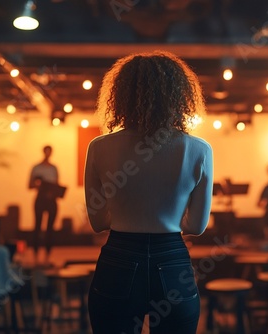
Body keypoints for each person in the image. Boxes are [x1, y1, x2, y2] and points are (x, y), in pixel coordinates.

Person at [84, 51, 213, 334]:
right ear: (180, 96)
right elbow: (197, 226)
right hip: (172, 261)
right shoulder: (199, 149)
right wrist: (165, 216)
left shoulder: (99, 147)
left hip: (118, 258)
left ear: (120, 96)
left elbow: (97, 223)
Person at [29, 145, 59, 261]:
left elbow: (57, 184)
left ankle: (47, 256)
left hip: (51, 199)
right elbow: (29, 185)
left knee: (50, 228)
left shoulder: (54, 168)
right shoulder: (36, 168)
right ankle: (35, 256)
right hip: (40, 198)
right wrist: (38, 184)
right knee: (37, 226)